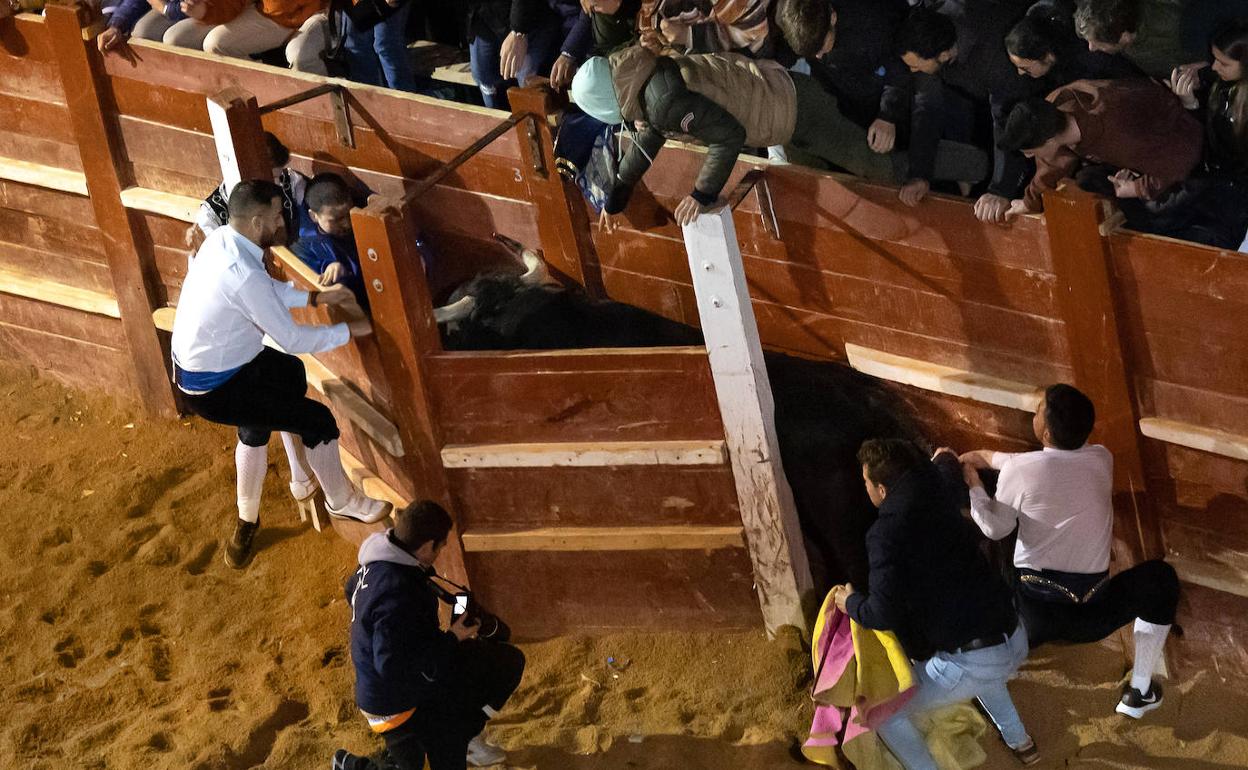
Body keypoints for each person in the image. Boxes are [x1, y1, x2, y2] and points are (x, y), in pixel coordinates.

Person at [171, 180, 393, 569]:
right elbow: (290, 337)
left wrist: (315, 297)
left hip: (211, 367)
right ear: (258, 221)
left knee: (287, 379)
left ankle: (266, 505)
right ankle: (341, 502)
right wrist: (349, 331)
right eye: (276, 215)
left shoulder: (223, 238)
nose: (282, 220)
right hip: (214, 388)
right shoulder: (240, 270)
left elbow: (264, 291)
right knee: (317, 419)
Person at [571, 45, 984, 228]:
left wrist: (700, 195)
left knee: (877, 168)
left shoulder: (662, 101)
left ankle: (976, 163)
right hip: (777, 115)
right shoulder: (646, 77)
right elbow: (649, 140)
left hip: (797, 110)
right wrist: (617, 193)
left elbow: (729, 137)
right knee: (818, 183)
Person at [959, 384, 1180, 718]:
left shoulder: (1022, 471)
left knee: (986, 616)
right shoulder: (1101, 458)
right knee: (1161, 580)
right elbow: (1042, 465)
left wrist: (974, 482)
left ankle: (985, 684)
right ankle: (1140, 690)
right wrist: (991, 457)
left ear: (1045, 431)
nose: (1033, 412)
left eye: (1037, 410)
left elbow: (994, 528)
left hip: (1033, 617)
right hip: (1094, 613)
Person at [835, 439, 1038, 769]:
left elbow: (881, 613)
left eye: (867, 483)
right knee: (987, 671)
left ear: (882, 490)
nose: (867, 489)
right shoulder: (938, 486)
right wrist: (944, 454)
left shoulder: (883, 534)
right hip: (1015, 635)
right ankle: (1021, 742)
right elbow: (946, 461)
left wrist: (851, 601)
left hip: (975, 660)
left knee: (882, 714)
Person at [332, 501, 526, 770]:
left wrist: (444, 638)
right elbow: (391, 667)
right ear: (427, 547)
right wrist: (450, 640)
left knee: (506, 662)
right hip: (395, 703)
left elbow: (351, 590)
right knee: (434, 757)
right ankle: (352, 765)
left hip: (415, 672)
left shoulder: (380, 559)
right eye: (441, 545)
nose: (441, 551)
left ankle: (463, 736)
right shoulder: (396, 595)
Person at [894, 1, 1039, 216]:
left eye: (916, 65)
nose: (912, 71)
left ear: (943, 55)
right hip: (975, 92)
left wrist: (1000, 190)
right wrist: (920, 174)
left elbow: (1008, 119)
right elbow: (927, 109)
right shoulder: (931, 34)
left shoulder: (991, 54)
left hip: (1028, 87)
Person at [996, 79, 1203, 218]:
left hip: (1185, 139)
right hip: (1143, 150)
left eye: (1030, 151)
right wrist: (1029, 202)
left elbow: (1180, 158)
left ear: (1050, 140)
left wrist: (1139, 187)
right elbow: (1053, 163)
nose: (1028, 156)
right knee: (1089, 181)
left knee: (1158, 214)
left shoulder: (1118, 136)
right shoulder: (1052, 108)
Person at [1165, 19, 1248, 249]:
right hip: (1211, 175)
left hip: (1233, 192)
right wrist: (1191, 103)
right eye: (1213, 59)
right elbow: (1211, 135)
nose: (1213, 67)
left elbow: (1224, 144)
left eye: (1223, 63)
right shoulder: (1219, 82)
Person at [192, 132, 310, 250]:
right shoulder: (211, 217)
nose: (276, 184)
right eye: (271, 178)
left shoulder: (292, 183)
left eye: (278, 177)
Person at [164, 0, 329, 74]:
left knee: (299, 52)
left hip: (323, 11)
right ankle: (261, 95)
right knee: (214, 43)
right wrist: (207, 11)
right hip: (273, 14)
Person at [1004, 0, 1142, 87]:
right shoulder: (1041, 18)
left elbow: (1130, 79)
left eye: (1026, 68)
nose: (1020, 73)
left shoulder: (1093, 53)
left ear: (1048, 56)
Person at [291, 173, 368, 309]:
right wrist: (333, 271)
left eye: (349, 214)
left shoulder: (363, 218)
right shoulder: (303, 246)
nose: (347, 224)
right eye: (336, 219)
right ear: (313, 216)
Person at [97, 0, 186, 55]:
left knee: (173, 38)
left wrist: (166, 9)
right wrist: (116, 26)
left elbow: (197, 7)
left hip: (192, 12)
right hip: (169, 5)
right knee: (141, 31)